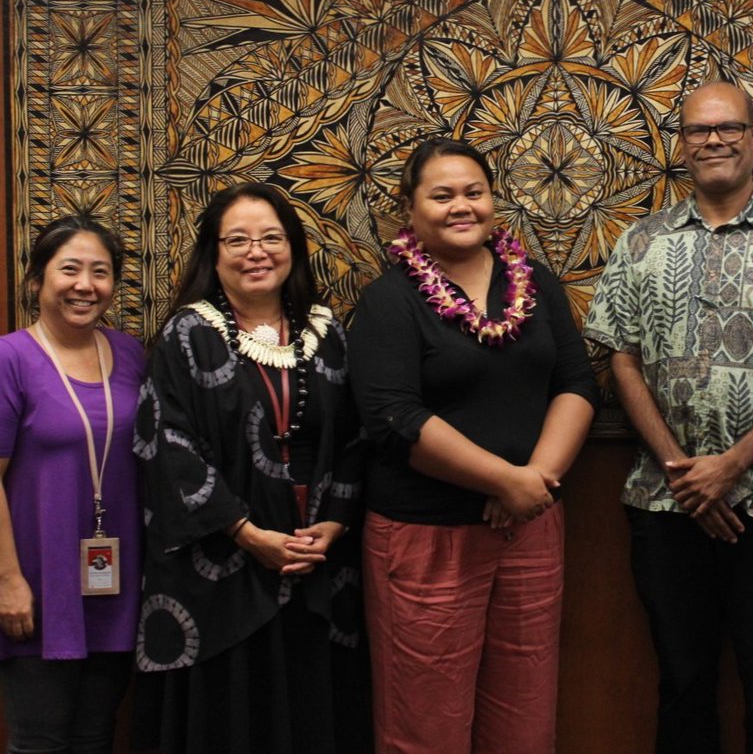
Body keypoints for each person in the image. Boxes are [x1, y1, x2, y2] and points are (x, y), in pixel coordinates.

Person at [583, 80, 753, 754]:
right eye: (698, 130)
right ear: (680, 146)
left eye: (729, 127)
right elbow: (620, 358)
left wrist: (730, 467)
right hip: (665, 506)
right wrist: (688, 478)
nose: (714, 139)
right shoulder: (640, 244)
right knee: (682, 685)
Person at [348, 137, 598, 754]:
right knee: (426, 726)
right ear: (408, 210)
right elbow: (393, 417)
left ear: (493, 200)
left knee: (524, 720)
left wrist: (531, 481)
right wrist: (500, 481)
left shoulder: (535, 280)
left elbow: (576, 382)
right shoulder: (390, 300)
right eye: (442, 195)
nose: (462, 206)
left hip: (531, 524)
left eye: (474, 192)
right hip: (428, 537)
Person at [134, 183, 366, 753]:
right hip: (221, 565)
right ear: (213, 254)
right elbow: (167, 443)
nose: (255, 251)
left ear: (294, 247)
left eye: (270, 237)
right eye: (237, 239)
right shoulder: (186, 334)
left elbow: (357, 438)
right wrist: (246, 533)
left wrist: (333, 524)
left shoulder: (326, 331)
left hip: (317, 559)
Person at [0, 215, 144, 753]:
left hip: (113, 582)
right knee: (39, 743)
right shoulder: (9, 359)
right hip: (37, 587)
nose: (86, 285)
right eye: (70, 270)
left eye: (100, 272)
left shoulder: (130, 354)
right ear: (37, 279)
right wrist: (7, 582)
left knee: (96, 738)